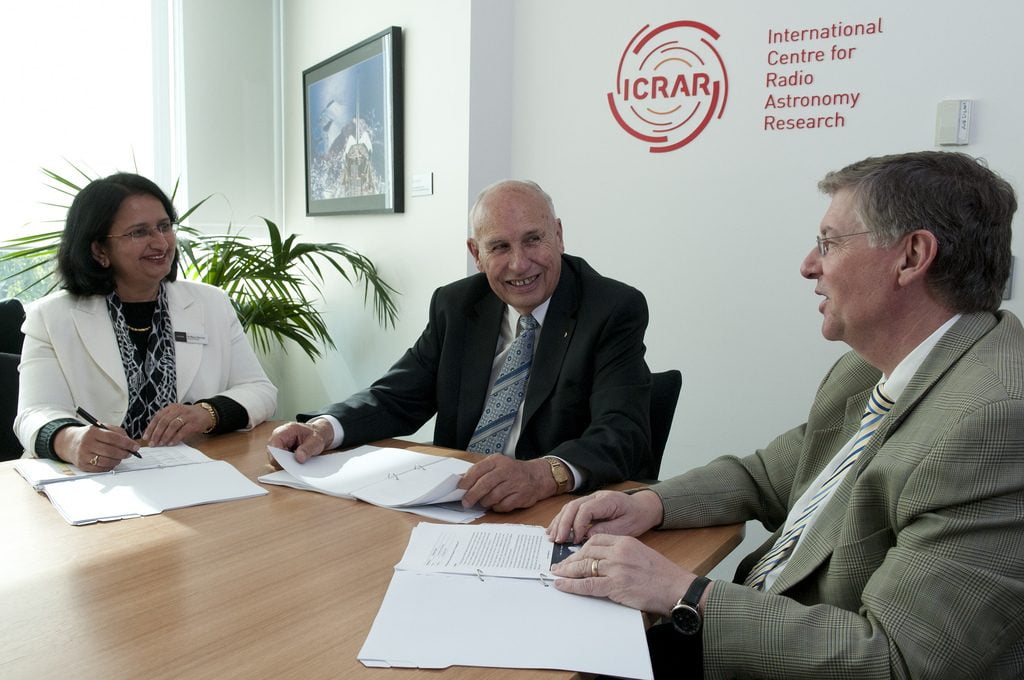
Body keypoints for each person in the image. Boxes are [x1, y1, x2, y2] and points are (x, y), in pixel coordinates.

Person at [547, 151, 1024, 679]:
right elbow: (765, 475)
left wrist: (683, 593)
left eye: (829, 242)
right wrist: (650, 503)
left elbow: (897, 663)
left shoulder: (994, 423)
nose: (808, 265)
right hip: (758, 628)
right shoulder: (869, 369)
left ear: (911, 257)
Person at [269, 179, 652, 511]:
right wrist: (324, 427)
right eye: (499, 247)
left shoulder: (611, 309)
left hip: (553, 510)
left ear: (559, 234)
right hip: (457, 502)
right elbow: (397, 397)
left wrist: (542, 474)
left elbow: (622, 432)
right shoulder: (457, 305)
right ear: (476, 254)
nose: (519, 264)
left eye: (533, 240)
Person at [16, 173, 277, 471]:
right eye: (139, 233)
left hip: (191, 469)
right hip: (93, 479)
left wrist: (208, 412)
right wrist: (70, 439)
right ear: (99, 250)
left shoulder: (211, 303)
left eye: (164, 227)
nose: (161, 242)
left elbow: (260, 390)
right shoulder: (51, 316)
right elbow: (33, 413)